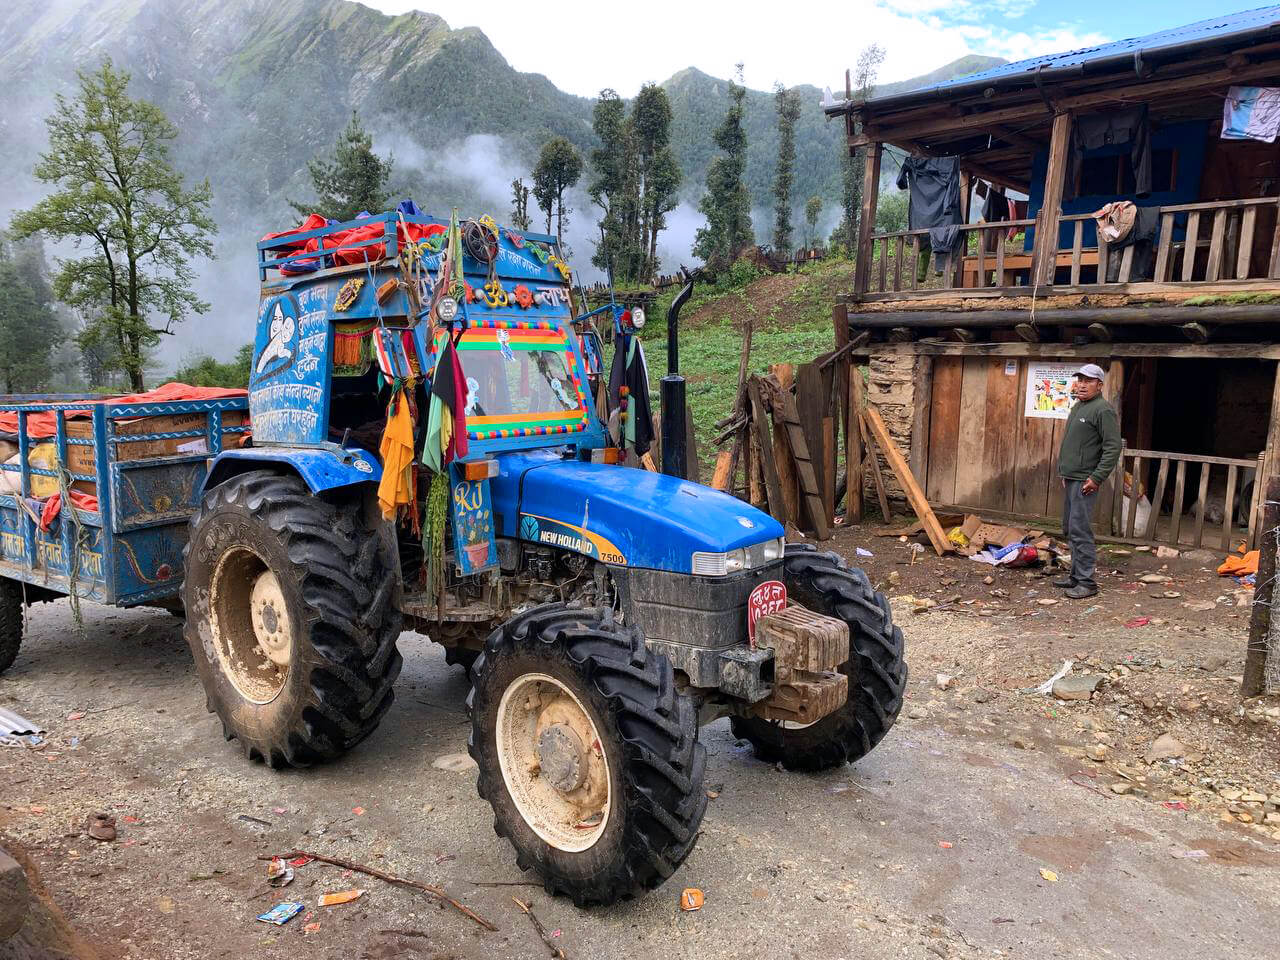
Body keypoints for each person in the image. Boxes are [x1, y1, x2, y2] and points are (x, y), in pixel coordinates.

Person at [1055, 363, 1122, 599]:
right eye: (1080, 380)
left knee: (1080, 530)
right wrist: (1065, 472)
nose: (1082, 385)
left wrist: (1096, 477)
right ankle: (1075, 577)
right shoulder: (1078, 407)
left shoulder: (1102, 410)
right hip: (1072, 478)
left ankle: (1087, 582)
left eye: (1088, 381)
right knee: (1070, 528)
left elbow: (1113, 448)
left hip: (1085, 480)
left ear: (1099, 385)